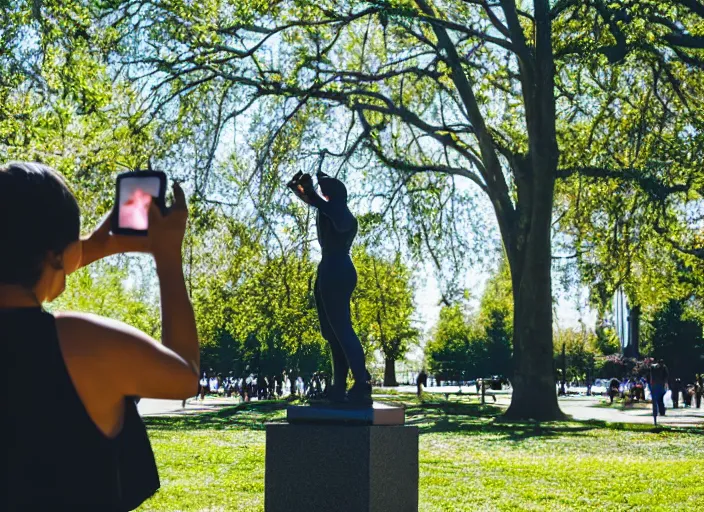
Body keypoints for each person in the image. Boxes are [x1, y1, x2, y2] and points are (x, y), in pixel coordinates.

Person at [2, 162, 199, 510]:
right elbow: (185, 376)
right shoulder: (80, 344)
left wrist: (92, 246)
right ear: (55, 253)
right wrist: (168, 257)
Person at [287, 171, 371, 404]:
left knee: (342, 329)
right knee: (332, 334)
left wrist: (311, 190)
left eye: (326, 192)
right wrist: (301, 189)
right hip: (328, 269)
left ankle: (362, 383)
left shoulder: (344, 215)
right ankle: (339, 386)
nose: (323, 196)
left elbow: (326, 208)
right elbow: (315, 202)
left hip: (338, 268)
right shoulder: (328, 209)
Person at [649, 360, 669, 425]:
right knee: (659, 400)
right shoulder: (663, 367)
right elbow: (666, 376)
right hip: (660, 385)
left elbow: (651, 376)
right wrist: (665, 384)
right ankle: (660, 412)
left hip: (655, 385)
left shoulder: (653, 367)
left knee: (656, 400)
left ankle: (656, 413)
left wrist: (651, 383)